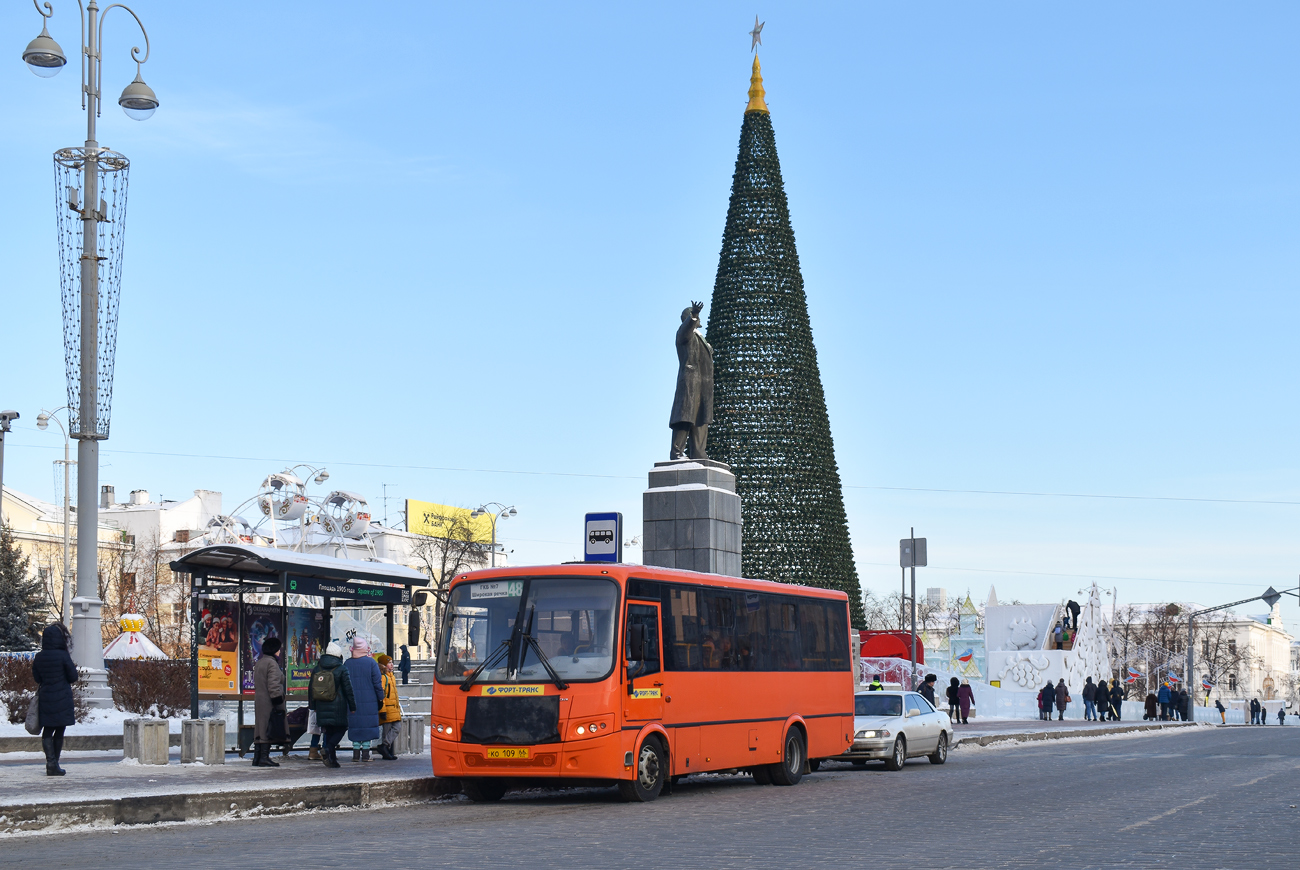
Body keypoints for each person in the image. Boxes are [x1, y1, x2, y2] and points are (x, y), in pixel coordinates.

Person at [31, 623, 78, 776]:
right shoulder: (63, 655)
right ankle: (54, 764)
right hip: (62, 697)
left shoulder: (39, 656)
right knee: (59, 731)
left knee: (47, 731)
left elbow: (37, 678)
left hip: (46, 697)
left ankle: (51, 763)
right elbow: (73, 677)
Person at [669, 301, 714, 460]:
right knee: (685, 417)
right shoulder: (684, 334)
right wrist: (693, 316)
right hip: (689, 383)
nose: (698, 318)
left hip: (703, 385)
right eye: (695, 316)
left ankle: (699, 452)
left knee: (701, 419)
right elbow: (685, 330)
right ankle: (677, 453)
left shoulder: (700, 337)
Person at [308, 641, 356, 768]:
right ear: (338, 655)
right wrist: (352, 706)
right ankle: (328, 749)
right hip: (338, 705)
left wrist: (312, 706)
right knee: (342, 727)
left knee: (328, 730)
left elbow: (311, 688)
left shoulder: (317, 668)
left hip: (321, 705)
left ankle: (332, 760)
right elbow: (348, 689)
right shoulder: (341, 669)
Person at [345, 636, 384, 761]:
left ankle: (356, 755)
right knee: (367, 725)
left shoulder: (347, 663)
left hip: (352, 702)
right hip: (370, 701)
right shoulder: (371, 663)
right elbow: (378, 683)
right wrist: (380, 698)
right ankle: (366, 755)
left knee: (355, 725)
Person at [252, 636, 286, 768]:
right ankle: (264, 758)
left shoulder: (260, 662)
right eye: (278, 649)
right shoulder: (272, 663)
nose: (280, 651)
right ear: (274, 650)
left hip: (260, 699)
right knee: (267, 728)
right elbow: (273, 684)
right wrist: (277, 701)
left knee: (260, 728)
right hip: (269, 701)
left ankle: (257, 757)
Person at [375, 653, 402, 760]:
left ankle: (384, 747)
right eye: (389, 663)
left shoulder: (392, 677)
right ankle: (385, 751)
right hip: (387, 709)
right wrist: (382, 710)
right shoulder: (383, 677)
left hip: (393, 708)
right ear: (384, 665)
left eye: (391, 662)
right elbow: (382, 695)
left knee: (396, 727)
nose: (391, 665)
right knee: (388, 730)